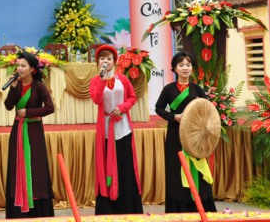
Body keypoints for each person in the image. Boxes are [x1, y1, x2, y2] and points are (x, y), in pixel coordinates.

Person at [155, 51, 217, 213]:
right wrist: (174, 117)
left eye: (188, 65)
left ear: (192, 68)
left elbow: (206, 109)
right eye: (181, 65)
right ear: (175, 69)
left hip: (195, 136)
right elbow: (159, 108)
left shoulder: (197, 89)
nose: (185, 68)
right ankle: (179, 208)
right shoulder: (168, 89)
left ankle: (200, 207)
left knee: (197, 169)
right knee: (176, 170)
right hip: (175, 135)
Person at [89, 44, 143, 215]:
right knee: (107, 167)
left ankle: (127, 205)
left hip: (123, 128)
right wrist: (102, 79)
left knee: (125, 165)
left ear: (114, 61)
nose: (105, 61)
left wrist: (122, 107)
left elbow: (132, 97)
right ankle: (108, 207)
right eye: (102, 58)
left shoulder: (123, 79)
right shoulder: (95, 81)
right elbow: (96, 99)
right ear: (98, 62)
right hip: (105, 130)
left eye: (109, 58)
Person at [4, 50, 55, 218]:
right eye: (18, 65)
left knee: (36, 166)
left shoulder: (39, 86)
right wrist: (12, 88)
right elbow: (8, 106)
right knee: (17, 165)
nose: (19, 69)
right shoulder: (16, 84)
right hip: (18, 131)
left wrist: (29, 112)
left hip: (34, 132)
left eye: (23, 66)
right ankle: (18, 204)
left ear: (32, 69)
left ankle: (36, 203)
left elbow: (50, 107)